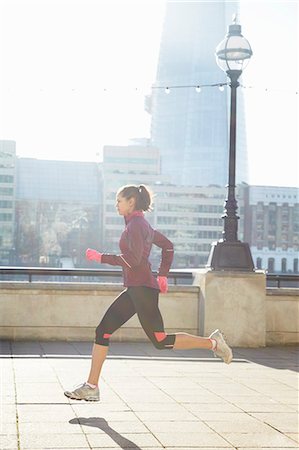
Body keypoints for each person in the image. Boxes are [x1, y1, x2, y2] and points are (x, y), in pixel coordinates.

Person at [64, 184, 233, 402]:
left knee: (160, 340)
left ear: (131, 202)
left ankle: (213, 343)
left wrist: (101, 257)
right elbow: (167, 246)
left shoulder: (136, 225)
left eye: (119, 200)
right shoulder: (140, 224)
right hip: (136, 289)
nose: (116, 204)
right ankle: (92, 386)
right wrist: (162, 275)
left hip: (142, 290)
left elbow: (133, 260)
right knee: (103, 331)